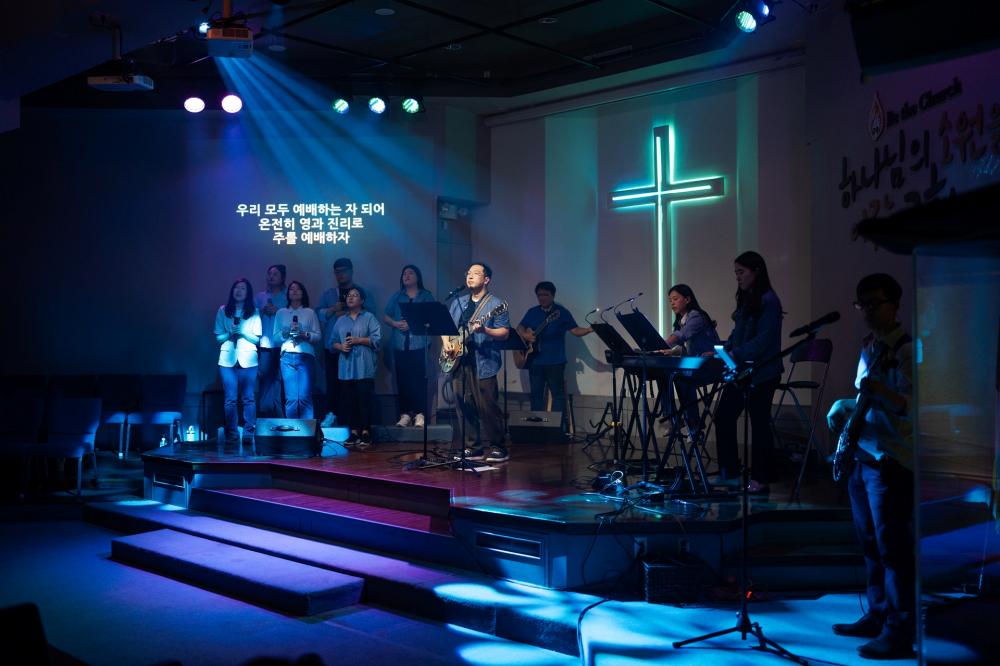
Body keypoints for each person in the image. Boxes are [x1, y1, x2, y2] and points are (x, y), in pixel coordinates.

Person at [827, 273, 914, 660]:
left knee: (893, 548)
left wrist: (878, 392)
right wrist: (846, 407)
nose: (866, 311)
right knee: (870, 544)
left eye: (874, 303)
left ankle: (899, 630)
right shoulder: (870, 347)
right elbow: (865, 397)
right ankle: (878, 614)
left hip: (890, 459)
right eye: (862, 304)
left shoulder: (907, 350)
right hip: (864, 455)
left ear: (894, 305)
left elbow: (911, 406)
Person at [709, 251, 783, 493]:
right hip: (742, 370)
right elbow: (737, 333)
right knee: (724, 416)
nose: (738, 277)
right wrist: (723, 349)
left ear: (756, 271)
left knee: (759, 423)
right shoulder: (747, 299)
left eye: (741, 272)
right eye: (736, 273)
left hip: (763, 372)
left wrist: (734, 354)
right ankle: (729, 473)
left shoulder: (769, 301)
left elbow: (762, 341)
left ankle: (761, 478)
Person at [442, 262, 510, 463]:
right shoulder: (459, 302)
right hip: (459, 361)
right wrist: (447, 344)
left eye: (475, 273)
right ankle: (473, 447)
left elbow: (505, 332)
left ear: (486, 279)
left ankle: (498, 447)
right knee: (463, 404)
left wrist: (485, 330)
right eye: (468, 273)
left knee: (487, 405)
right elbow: (446, 328)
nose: (470, 276)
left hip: (483, 361)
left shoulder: (495, 304)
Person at [515, 281, 592, 433]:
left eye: (545, 295)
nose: (542, 298)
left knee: (558, 396)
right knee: (536, 396)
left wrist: (590, 329)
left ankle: (556, 430)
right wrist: (525, 335)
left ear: (553, 295)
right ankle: (536, 429)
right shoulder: (532, 312)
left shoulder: (561, 312)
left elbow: (575, 331)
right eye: (539, 295)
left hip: (555, 361)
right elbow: (520, 327)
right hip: (535, 361)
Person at [656, 284, 720, 438]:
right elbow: (687, 347)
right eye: (670, 300)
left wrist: (659, 345)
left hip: (710, 365)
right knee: (662, 374)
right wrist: (672, 351)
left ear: (687, 299)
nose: (672, 303)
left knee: (682, 378)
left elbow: (681, 336)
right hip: (697, 364)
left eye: (675, 299)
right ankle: (672, 418)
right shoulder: (683, 319)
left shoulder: (696, 316)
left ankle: (693, 423)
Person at [383, 265, 435, 428]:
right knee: (402, 380)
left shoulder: (426, 296)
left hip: (419, 344)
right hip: (399, 344)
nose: (406, 276)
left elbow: (432, 318)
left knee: (419, 379)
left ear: (418, 277)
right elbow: (386, 316)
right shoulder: (397, 296)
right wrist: (395, 323)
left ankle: (420, 414)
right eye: (404, 273)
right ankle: (405, 414)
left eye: (410, 273)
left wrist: (413, 324)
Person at [330, 288, 382, 448]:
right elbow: (332, 342)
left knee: (364, 400)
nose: (351, 298)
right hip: (346, 367)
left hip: (364, 366)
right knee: (349, 401)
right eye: (349, 295)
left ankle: (366, 432)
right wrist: (341, 346)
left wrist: (359, 340)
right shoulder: (341, 320)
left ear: (362, 300)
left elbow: (377, 340)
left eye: (355, 295)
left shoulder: (369, 317)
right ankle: (353, 432)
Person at [317, 258, 369, 415]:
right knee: (332, 382)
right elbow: (318, 314)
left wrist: (349, 312)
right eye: (337, 272)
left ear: (351, 271)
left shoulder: (360, 292)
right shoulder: (329, 294)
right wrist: (333, 309)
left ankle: (353, 418)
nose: (340, 275)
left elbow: (371, 314)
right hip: (333, 346)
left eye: (343, 271)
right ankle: (332, 415)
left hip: (356, 345)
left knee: (355, 383)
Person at [213, 278, 262, 447]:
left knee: (248, 398)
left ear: (248, 293)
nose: (239, 290)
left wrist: (242, 332)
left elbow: (257, 339)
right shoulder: (223, 310)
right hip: (227, 360)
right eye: (236, 287)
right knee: (230, 399)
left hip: (249, 360)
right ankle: (232, 433)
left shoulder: (254, 312)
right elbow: (218, 337)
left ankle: (248, 433)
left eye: (243, 288)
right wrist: (229, 334)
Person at [273, 281, 321, 419]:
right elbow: (275, 337)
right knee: (291, 398)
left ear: (303, 293)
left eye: (298, 289)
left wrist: (305, 334)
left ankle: (307, 430)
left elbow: (318, 336)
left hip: (305, 356)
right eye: (291, 289)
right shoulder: (281, 312)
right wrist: (285, 333)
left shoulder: (309, 312)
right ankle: (292, 430)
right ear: (288, 294)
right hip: (287, 356)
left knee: (305, 397)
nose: (294, 291)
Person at [255, 264, 288, 417]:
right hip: (265, 344)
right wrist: (262, 311)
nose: (271, 276)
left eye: (275, 274)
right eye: (269, 274)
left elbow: (292, 316)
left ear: (282, 277)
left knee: (281, 379)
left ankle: (281, 415)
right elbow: (250, 317)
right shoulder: (260, 297)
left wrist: (278, 311)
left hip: (283, 344)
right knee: (265, 378)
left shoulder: (288, 296)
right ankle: (265, 414)